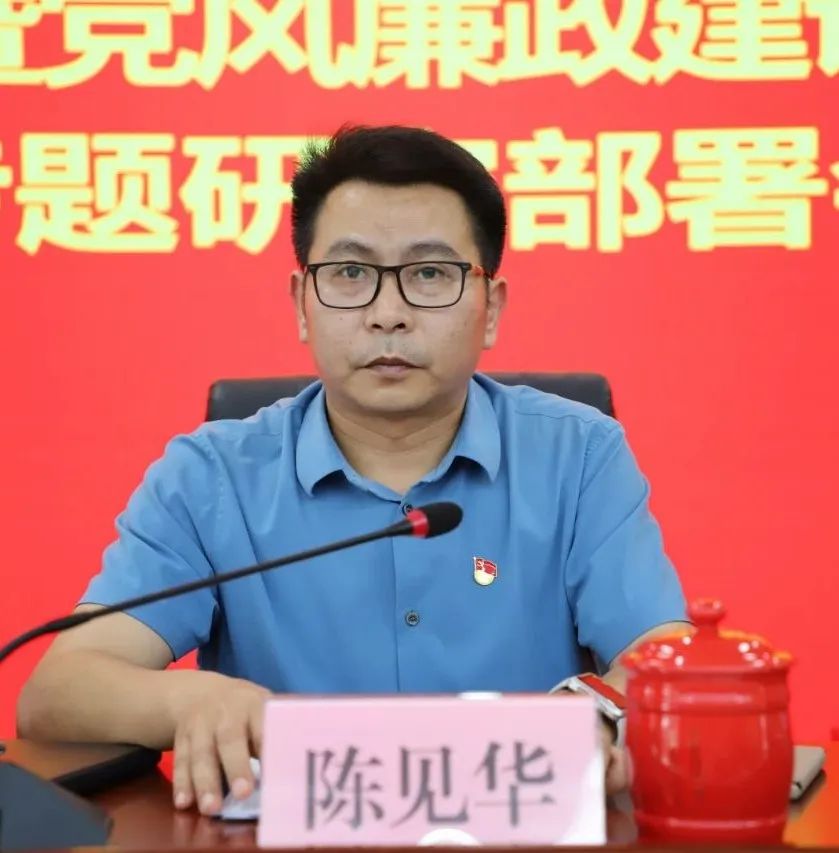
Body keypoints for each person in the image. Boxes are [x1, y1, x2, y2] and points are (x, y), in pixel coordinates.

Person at [18, 125, 686, 816]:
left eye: (430, 274)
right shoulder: (210, 478)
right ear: (301, 304)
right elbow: (58, 690)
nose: (387, 315)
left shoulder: (578, 455)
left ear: (490, 308)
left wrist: (596, 713)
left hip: (523, 828)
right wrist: (189, 700)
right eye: (350, 274)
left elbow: (664, 660)